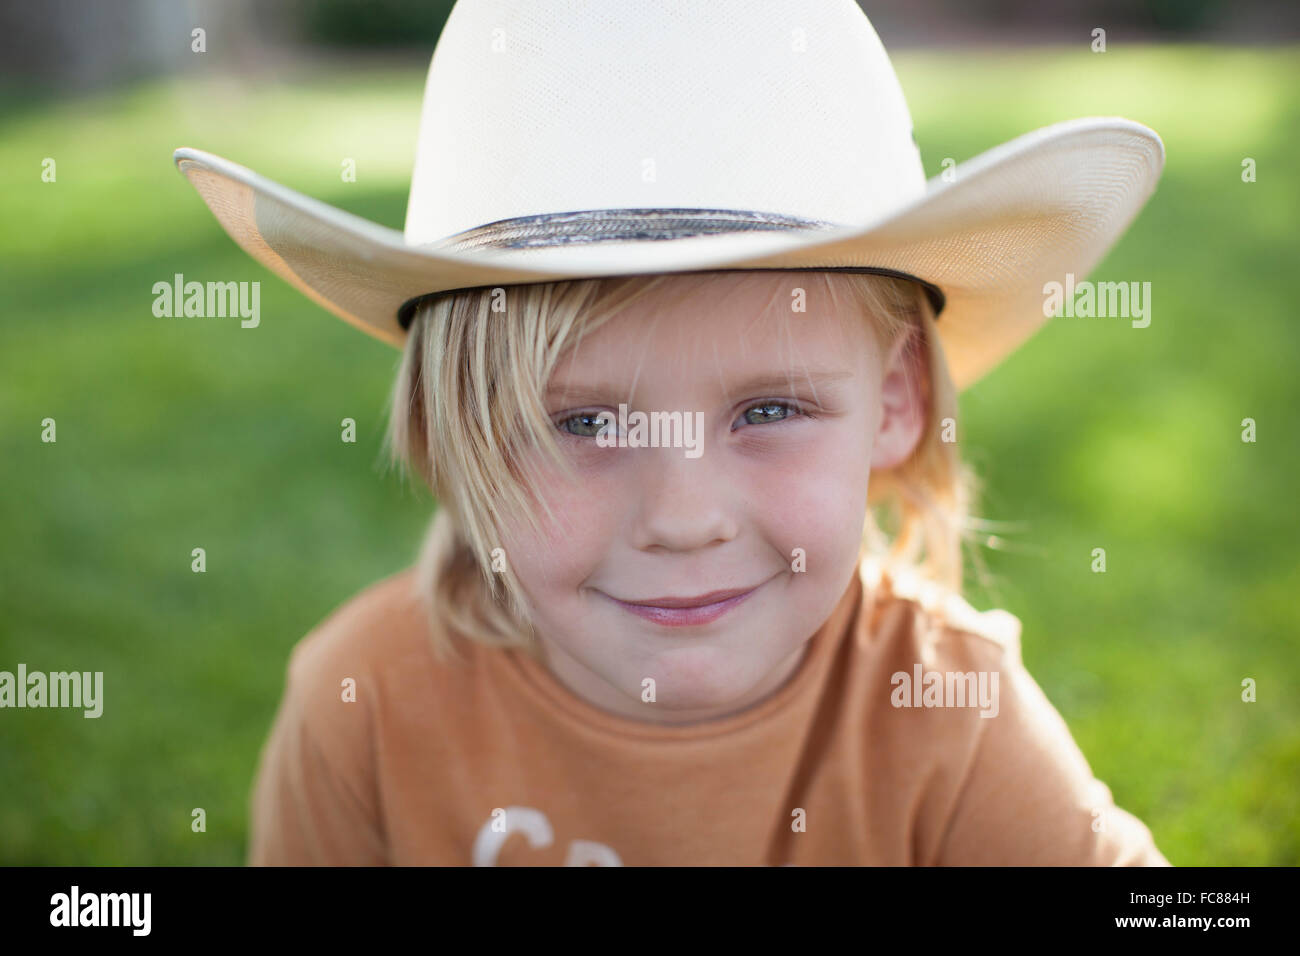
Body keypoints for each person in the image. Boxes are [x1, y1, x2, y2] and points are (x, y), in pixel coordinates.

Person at [174, 0, 1169, 865]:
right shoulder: (365, 702)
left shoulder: (947, 712)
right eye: (583, 421)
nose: (683, 519)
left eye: (770, 410)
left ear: (897, 400)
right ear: (453, 433)